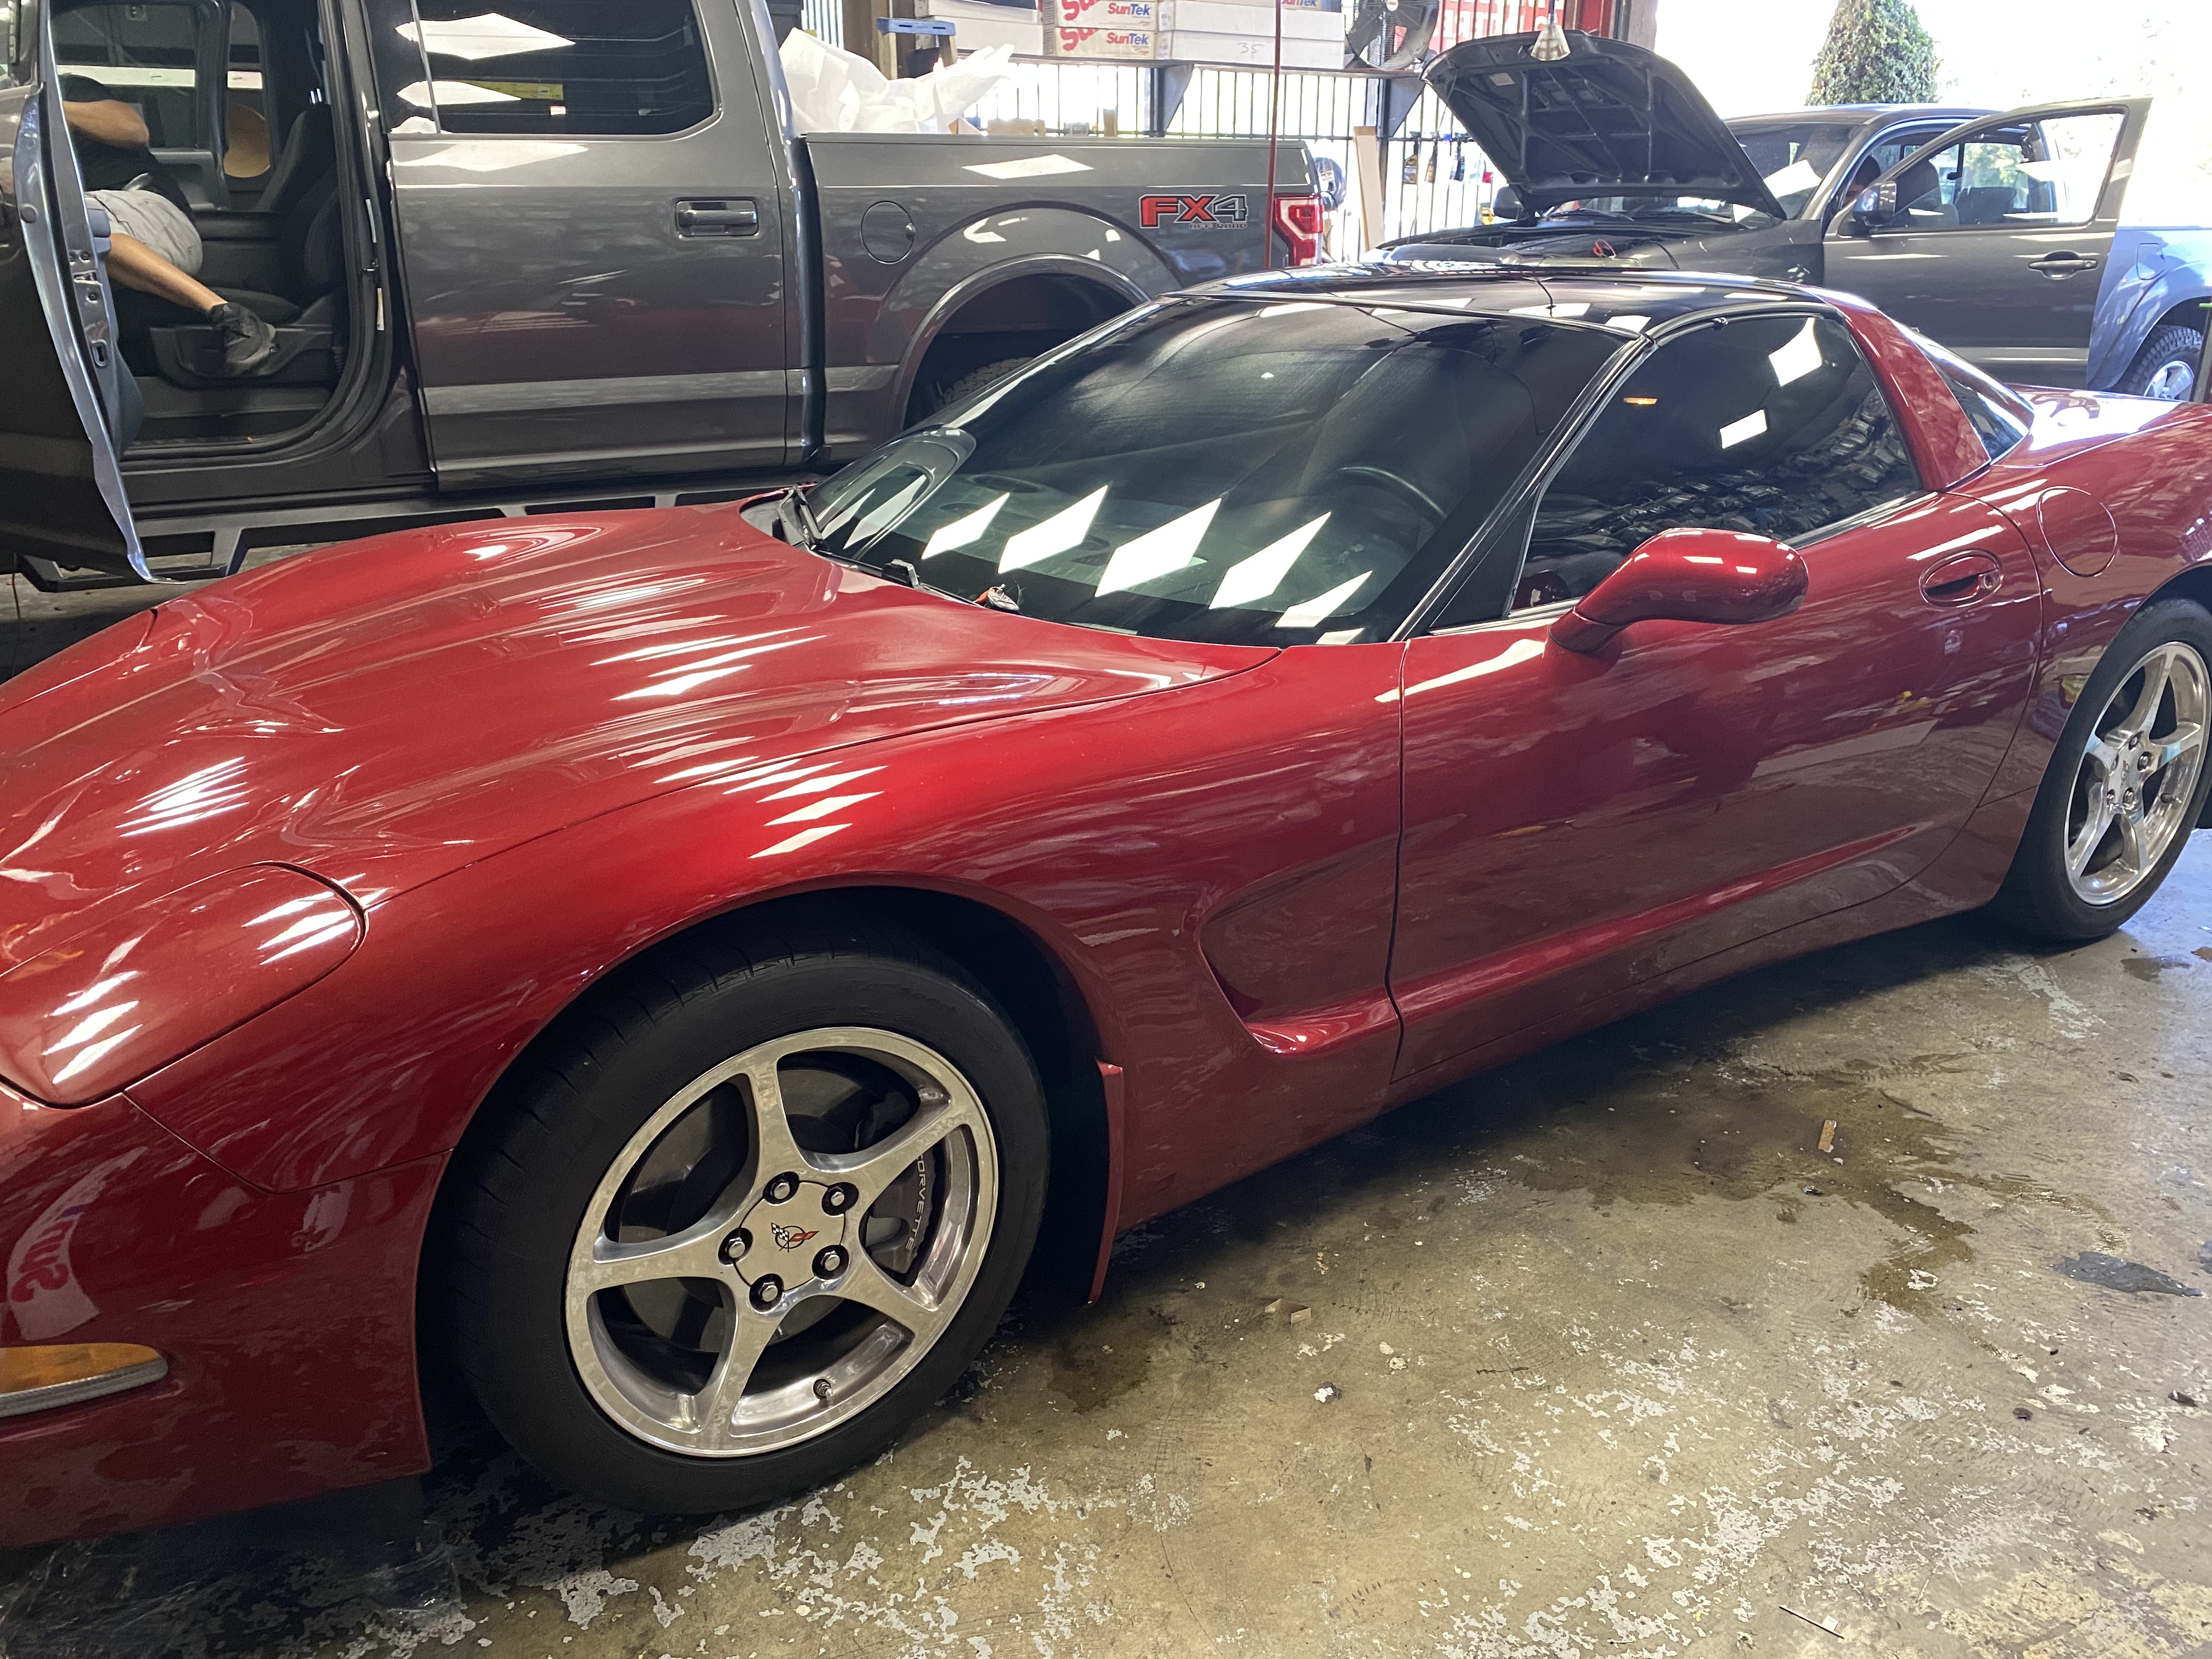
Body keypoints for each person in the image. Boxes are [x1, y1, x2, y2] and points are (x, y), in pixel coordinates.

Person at [59, 73, 278, 374]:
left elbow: (134, 130)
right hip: (111, 229)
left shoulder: (64, 89)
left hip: (154, 213)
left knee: (63, 214)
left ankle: (232, 316)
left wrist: (42, 109)